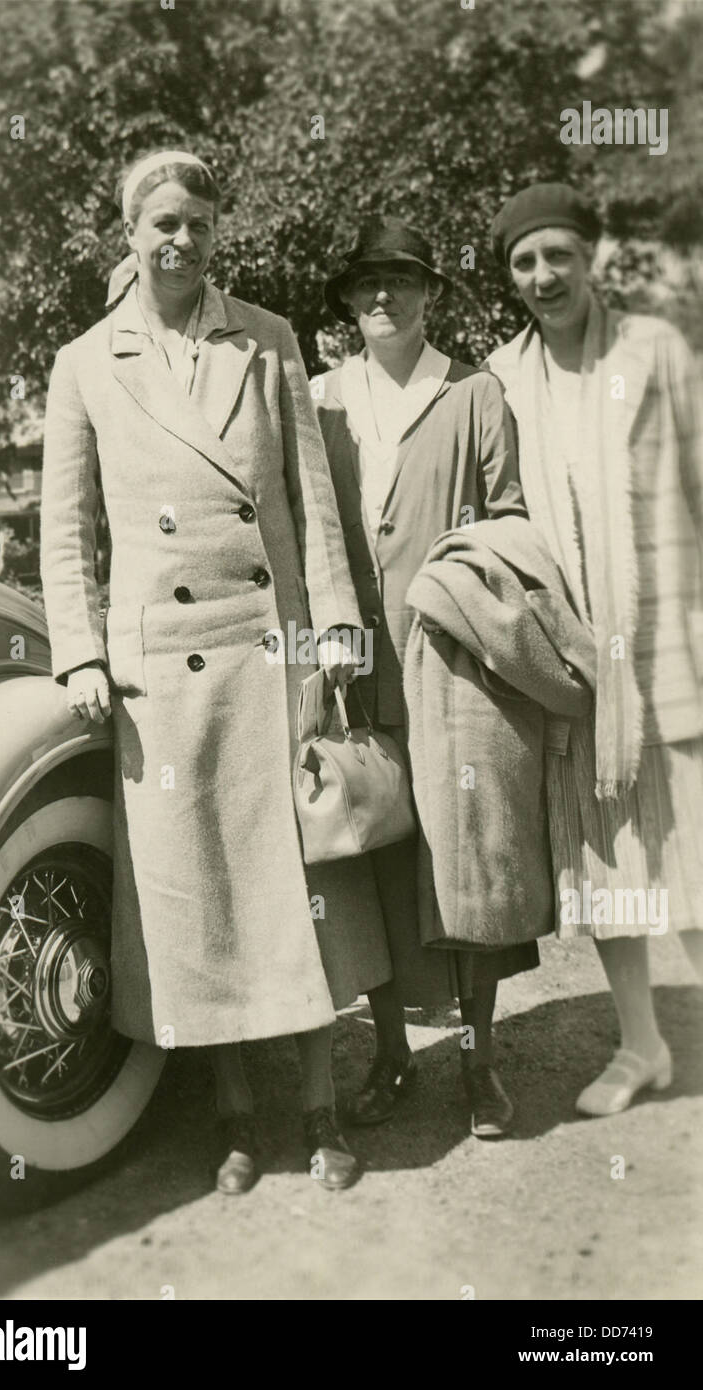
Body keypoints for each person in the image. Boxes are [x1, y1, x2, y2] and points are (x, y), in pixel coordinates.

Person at [40, 149, 392, 1194]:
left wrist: (333, 625)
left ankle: (324, 1109)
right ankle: (240, 1120)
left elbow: (310, 501)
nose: (182, 240)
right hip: (163, 677)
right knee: (200, 896)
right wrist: (80, 653)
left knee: (304, 885)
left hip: (269, 651)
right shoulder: (85, 364)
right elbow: (66, 532)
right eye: (163, 225)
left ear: (214, 230)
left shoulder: (268, 341)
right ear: (130, 235)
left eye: (198, 222)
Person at [313, 216, 543, 1138]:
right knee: (368, 855)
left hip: (452, 669)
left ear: (428, 294)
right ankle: (393, 1057)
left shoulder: (476, 392)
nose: (382, 296)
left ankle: (482, 1061)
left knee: (468, 858)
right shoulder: (324, 400)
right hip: (354, 671)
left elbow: (515, 525)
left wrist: (453, 577)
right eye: (366, 281)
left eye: (400, 280)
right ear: (346, 300)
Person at [486, 181, 703, 1115]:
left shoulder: (653, 351)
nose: (543, 276)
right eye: (524, 263)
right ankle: (642, 1045)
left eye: (557, 256)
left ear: (590, 257)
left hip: (671, 642)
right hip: (580, 665)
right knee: (611, 864)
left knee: (694, 852)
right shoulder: (502, 378)